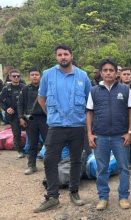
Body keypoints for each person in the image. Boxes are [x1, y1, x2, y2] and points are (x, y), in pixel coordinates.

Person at [34, 44, 91, 213]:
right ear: (56, 57)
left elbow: (89, 102)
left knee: (76, 160)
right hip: (56, 127)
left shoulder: (82, 76)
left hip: (77, 126)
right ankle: (52, 196)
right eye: (59, 54)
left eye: (66, 54)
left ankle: (74, 192)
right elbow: (41, 98)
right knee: (50, 160)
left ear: (71, 56)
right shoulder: (48, 75)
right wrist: (52, 115)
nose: (63, 57)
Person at [86, 58, 131, 210]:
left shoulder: (125, 90)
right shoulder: (94, 91)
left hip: (120, 137)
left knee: (124, 168)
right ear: (101, 73)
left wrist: (129, 132)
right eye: (105, 70)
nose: (108, 73)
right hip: (100, 136)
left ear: (116, 73)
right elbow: (89, 113)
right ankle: (103, 197)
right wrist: (89, 134)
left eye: (111, 70)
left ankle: (124, 197)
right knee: (102, 168)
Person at [17, 68, 47, 175]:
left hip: (45, 119)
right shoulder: (25, 89)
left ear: (40, 76)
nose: (34, 76)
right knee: (32, 144)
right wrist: (21, 117)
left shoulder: (46, 88)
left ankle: (50, 166)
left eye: (37, 74)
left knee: (49, 143)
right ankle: (31, 165)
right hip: (31, 120)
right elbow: (20, 104)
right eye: (32, 74)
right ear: (29, 76)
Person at [0, 69, 25, 158]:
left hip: (24, 114)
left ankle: (30, 148)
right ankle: (20, 151)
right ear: (10, 77)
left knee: (31, 131)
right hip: (13, 115)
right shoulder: (6, 89)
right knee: (16, 133)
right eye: (14, 76)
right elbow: (1, 101)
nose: (16, 77)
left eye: (18, 76)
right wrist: (6, 109)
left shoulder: (24, 87)